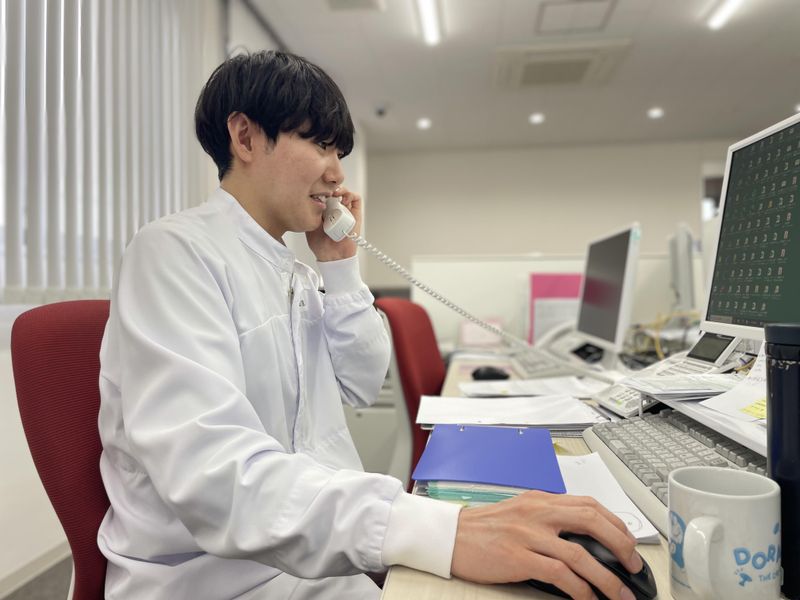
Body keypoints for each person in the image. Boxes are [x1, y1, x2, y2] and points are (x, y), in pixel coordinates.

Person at [97, 50, 643, 600]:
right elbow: (215, 477)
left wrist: (339, 265)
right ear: (244, 136)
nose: (337, 172)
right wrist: (439, 531)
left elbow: (362, 380)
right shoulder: (176, 253)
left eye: (339, 151)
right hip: (215, 579)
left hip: (318, 557)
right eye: (319, 144)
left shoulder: (295, 274)